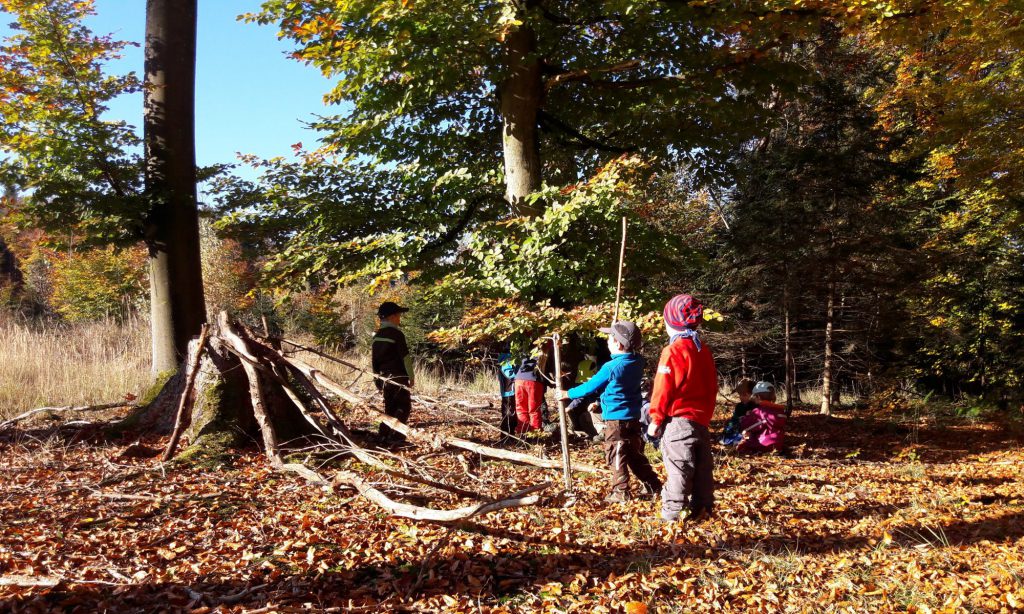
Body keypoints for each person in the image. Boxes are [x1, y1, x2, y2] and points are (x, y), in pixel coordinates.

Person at [561, 321, 661, 502]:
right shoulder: (637, 361)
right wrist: (601, 401)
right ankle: (654, 485)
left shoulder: (611, 367)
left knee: (616, 452)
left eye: (609, 338)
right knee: (634, 454)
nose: (606, 341)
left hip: (616, 419)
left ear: (618, 344)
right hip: (633, 416)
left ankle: (620, 491)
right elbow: (616, 387)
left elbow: (589, 387)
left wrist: (567, 393)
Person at [647, 294, 718, 523]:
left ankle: (671, 515)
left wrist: (656, 419)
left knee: (679, 468)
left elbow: (663, 387)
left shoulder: (674, 350)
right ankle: (703, 510)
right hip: (700, 421)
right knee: (702, 469)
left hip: (678, 421)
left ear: (671, 323)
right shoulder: (702, 350)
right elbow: (711, 386)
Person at [372, 301, 414, 443]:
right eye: (398, 315)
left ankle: (383, 435)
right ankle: (397, 437)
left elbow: (374, 360)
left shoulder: (377, 336)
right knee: (404, 406)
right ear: (392, 317)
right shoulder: (397, 334)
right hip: (399, 377)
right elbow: (405, 358)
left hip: (384, 378)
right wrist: (411, 376)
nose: (399, 318)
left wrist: (376, 378)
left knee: (389, 408)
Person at [737, 381, 787, 454]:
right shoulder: (780, 411)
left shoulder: (759, 411)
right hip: (778, 444)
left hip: (763, 444)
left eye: (754, 397)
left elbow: (746, 425)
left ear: (758, 397)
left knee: (741, 446)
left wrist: (744, 418)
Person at [514, 351, 545, 433]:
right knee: (534, 410)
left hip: (519, 380)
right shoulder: (541, 350)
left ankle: (523, 433)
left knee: (520, 409)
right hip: (534, 380)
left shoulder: (522, 348)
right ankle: (535, 434)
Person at [721, 379, 756, 446]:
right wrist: (731, 422)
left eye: (744, 395)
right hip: (737, 424)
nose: (741, 397)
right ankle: (727, 437)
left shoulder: (754, 406)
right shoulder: (739, 406)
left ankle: (738, 439)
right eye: (740, 395)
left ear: (753, 395)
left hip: (747, 427)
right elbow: (735, 417)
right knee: (730, 425)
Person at [497, 352, 518, 441]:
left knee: (512, 414)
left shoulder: (512, 356)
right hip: (509, 391)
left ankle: (511, 436)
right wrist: (519, 376)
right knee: (508, 414)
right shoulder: (506, 357)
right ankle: (506, 437)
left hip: (511, 390)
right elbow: (508, 373)